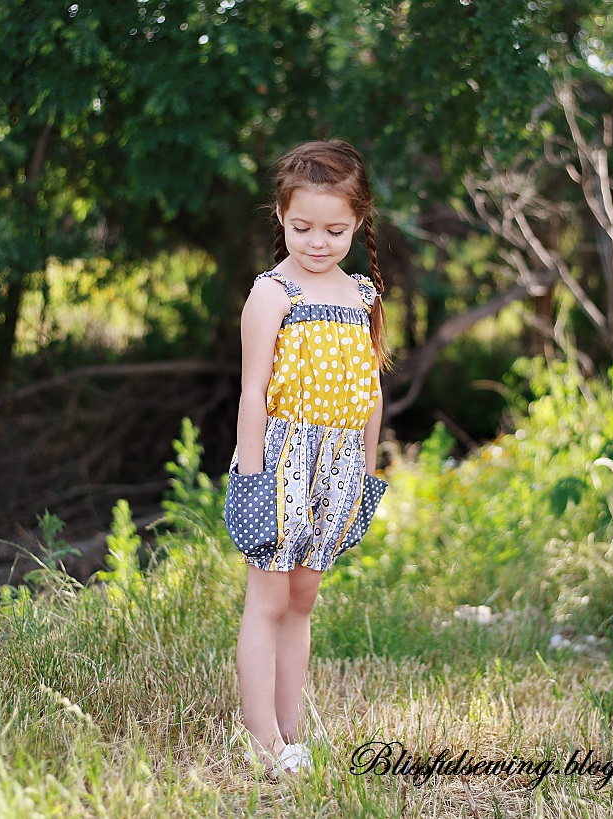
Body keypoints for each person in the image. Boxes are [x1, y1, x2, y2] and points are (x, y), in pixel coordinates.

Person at [224, 139, 391, 779]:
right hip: (281, 463)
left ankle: (291, 732)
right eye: (302, 228)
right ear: (281, 217)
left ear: (358, 222)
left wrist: (366, 474)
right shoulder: (274, 294)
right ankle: (262, 740)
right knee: (267, 601)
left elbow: (370, 393)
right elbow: (252, 393)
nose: (317, 242)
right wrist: (254, 478)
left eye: (334, 230)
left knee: (302, 601)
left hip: (340, 467)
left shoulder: (363, 296)